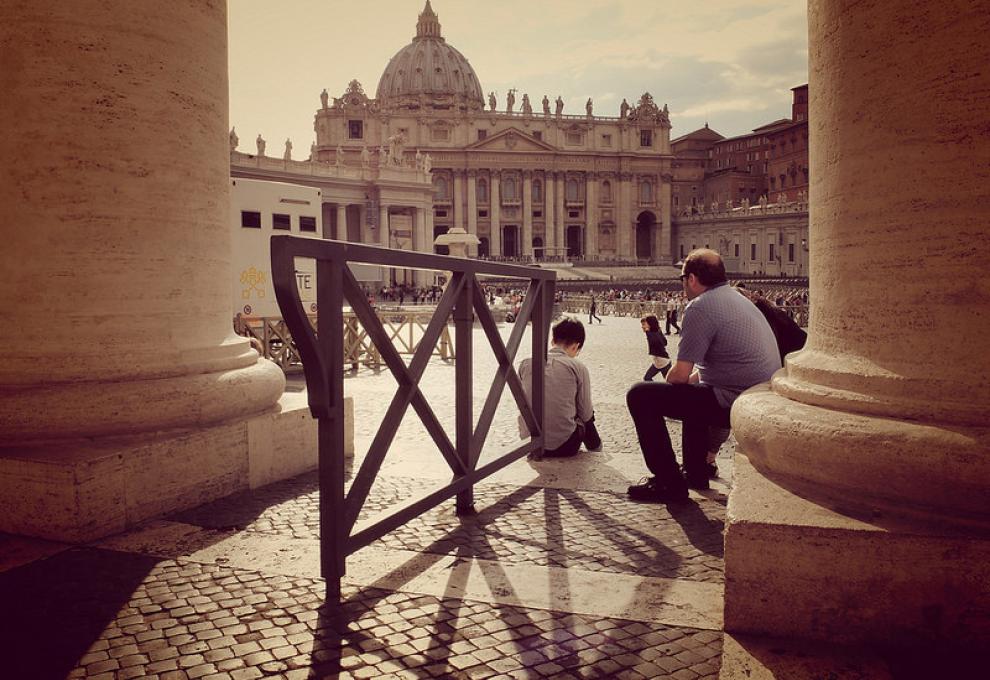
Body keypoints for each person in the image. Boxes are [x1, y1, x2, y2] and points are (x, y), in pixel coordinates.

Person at [625, 249, 780, 502]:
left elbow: (679, 375)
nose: (683, 285)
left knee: (639, 395)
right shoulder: (736, 298)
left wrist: (673, 383)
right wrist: (683, 383)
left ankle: (668, 483)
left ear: (692, 279)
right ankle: (695, 473)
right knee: (692, 396)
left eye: (682, 278)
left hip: (736, 401)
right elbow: (708, 372)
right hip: (758, 394)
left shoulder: (700, 306)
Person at [518, 318, 601, 458]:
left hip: (529, 443)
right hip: (564, 446)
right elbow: (585, 413)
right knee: (585, 414)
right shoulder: (577, 367)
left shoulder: (526, 363)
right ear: (576, 346)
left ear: (552, 341)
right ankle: (596, 448)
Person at [640, 314, 670, 381]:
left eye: (644, 324)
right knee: (647, 378)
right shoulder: (656, 331)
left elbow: (655, 342)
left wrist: (648, 331)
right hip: (658, 362)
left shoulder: (652, 333)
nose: (642, 327)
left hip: (663, 362)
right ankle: (655, 391)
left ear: (650, 324)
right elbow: (665, 343)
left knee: (670, 382)